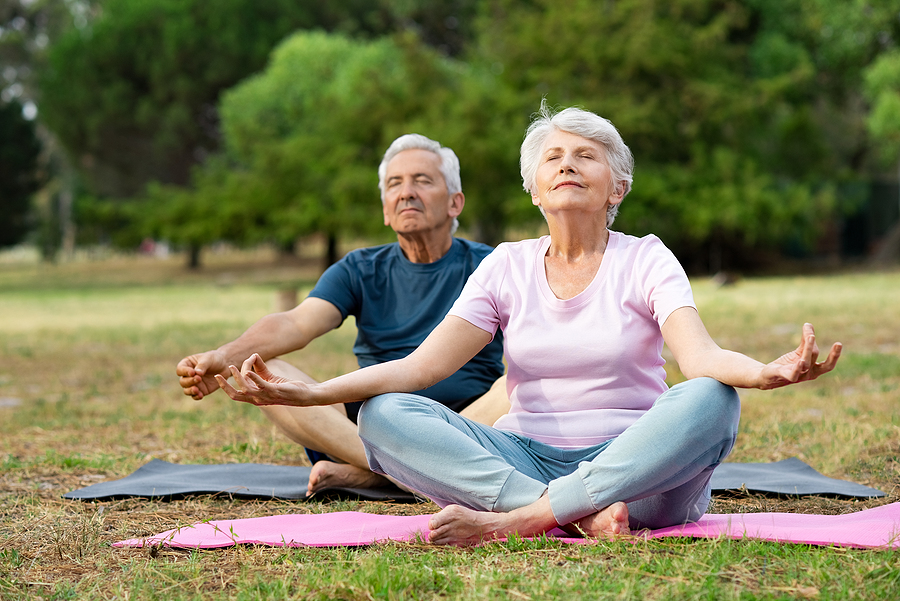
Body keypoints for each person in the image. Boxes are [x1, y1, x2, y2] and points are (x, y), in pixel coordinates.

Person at [214, 104, 842, 546]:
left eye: (586, 156)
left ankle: (520, 520)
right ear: (534, 188)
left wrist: (765, 372)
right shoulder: (507, 265)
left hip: (637, 470)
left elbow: (699, 359)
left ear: (616, 184)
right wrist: (315, 392)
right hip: (525, 460)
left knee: (711, 400)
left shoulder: (647, 256)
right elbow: (420, 369)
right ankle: (565, 514)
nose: (567, 164)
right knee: (385, 413)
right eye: (553, 157)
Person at [176, 134, 507, 496]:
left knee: (515, 387)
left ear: (455, 203)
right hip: (372, 425)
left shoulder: (493, 265)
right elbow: (296, 323)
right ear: (385, 208)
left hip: (467, 421)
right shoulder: (359, 268)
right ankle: (410, 473)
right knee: (259, 369)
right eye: (394, 184)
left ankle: (375, 475)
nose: (406, 192)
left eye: (422, 181)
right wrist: (225, 356)